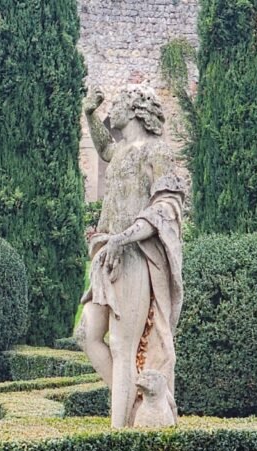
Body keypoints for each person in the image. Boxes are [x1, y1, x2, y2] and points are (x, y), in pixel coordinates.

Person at [79, 85, 185, 428]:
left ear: (137, 109)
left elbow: (167, 205)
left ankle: (119, 434)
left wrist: (124, 238)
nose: (115, 110)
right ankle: (135, 402)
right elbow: (105, 148)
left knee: (124, 348)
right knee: (87, 335)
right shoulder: (122, 150)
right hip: (107, 251)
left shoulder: (158, 151)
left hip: (136, 255)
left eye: (120, 103)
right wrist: (90, 115)